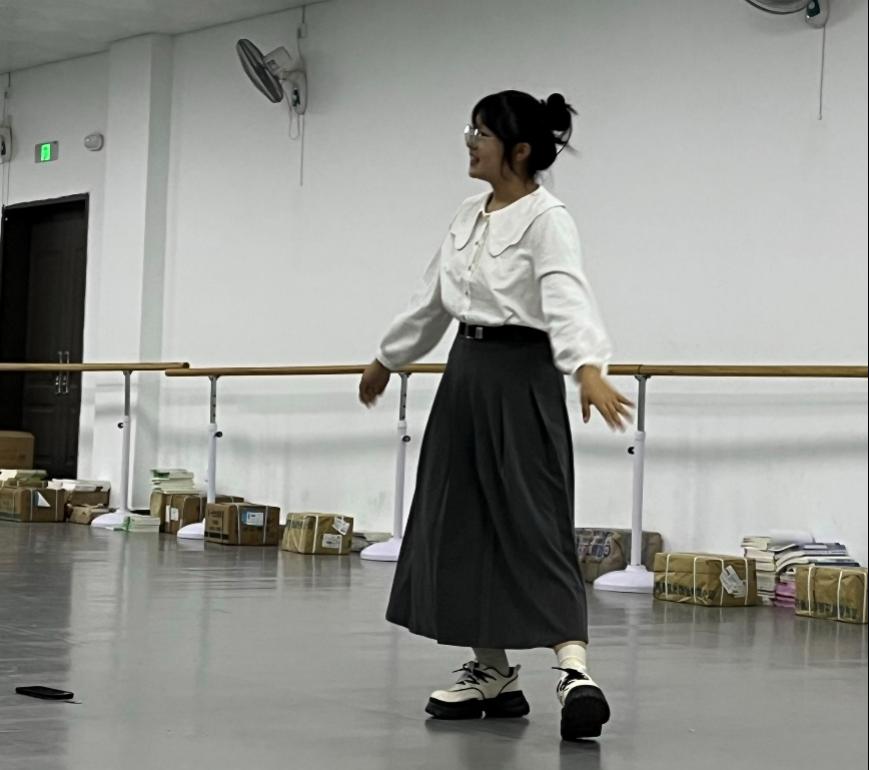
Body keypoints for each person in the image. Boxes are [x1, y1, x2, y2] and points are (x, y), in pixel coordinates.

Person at [358, 90, 633, 741]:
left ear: (520, 149)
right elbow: (432, 297)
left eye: (481, 132)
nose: (469, 141)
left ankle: (573, 672)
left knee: (533, 519)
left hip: (522, 376)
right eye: (471, 129)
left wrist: (588, 366)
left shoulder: (547, 218)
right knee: (459, 522)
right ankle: (493, 671)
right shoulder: (467, 214)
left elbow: (566, 295)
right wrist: (387, 357)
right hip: (465, 375)